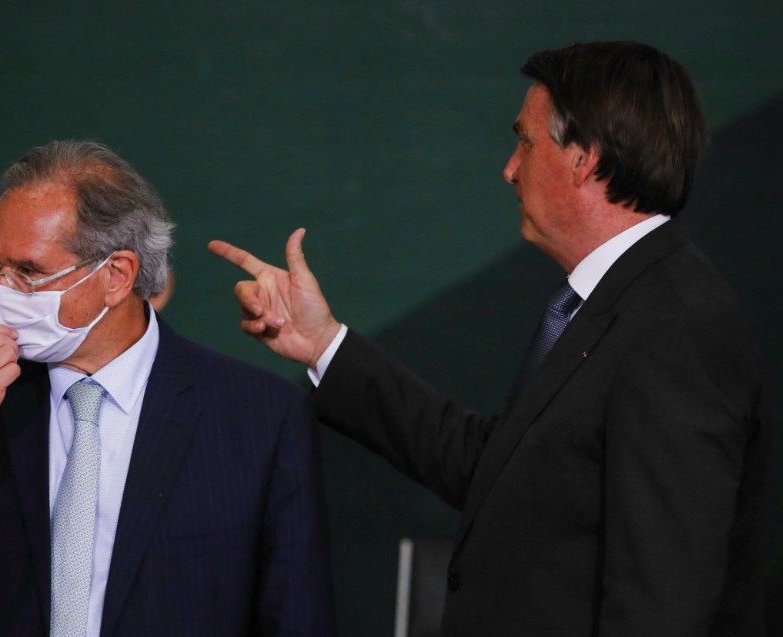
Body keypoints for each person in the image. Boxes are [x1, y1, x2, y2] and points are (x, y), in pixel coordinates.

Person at [209, 41, 773, 635]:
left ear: (583, 158)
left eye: (525, 142)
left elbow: (662, 604)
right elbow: (497, 469)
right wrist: (322, 342)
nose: (509, 167)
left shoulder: (675, 330)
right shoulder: (616, 303)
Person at [0, 140, 336, 636]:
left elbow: (296, 617)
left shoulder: (258, 415)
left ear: (116, 275)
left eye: (29, 272)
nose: (3, 292)